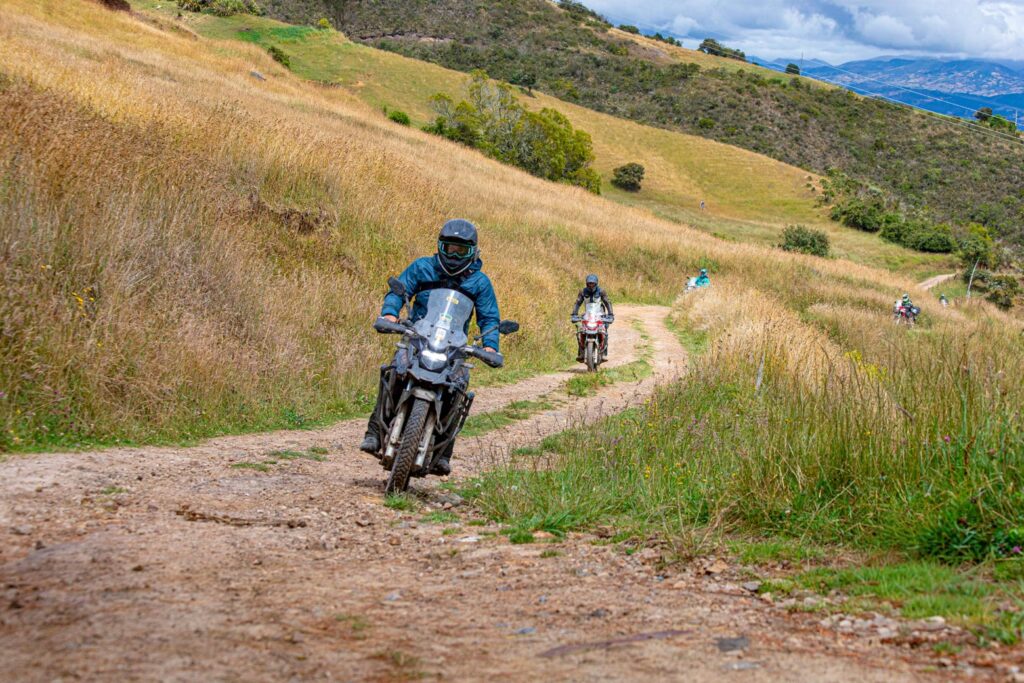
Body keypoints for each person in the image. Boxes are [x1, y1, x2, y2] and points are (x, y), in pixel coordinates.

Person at [359, 219, 500, 476]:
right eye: (449, 248)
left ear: (473, 252)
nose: (454, 255)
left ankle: (444, 453)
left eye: (461, 250)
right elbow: (397, 292)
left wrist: (490, 346)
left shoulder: (480, 283)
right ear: (440, 246)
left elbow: (489, 318)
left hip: (453, 346)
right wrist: (390, 315)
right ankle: (373, 433)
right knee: (393, 371)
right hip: (418, 336)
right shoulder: (423, 267)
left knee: (458, 388)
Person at [571, 274, 614, 361]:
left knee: (604, 330)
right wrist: (574, 314)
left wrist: (610, 315)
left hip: (598, 315)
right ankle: (581, 353)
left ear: (596, 283)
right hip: (588, 315)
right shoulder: (583, 292)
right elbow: (578, 303)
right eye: (589, 283)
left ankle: (604, 352)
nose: (591, 285)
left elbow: (607, 302)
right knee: (580, 330)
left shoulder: (601, 291)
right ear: (586, 283)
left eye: (593, 284)